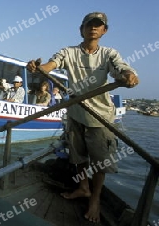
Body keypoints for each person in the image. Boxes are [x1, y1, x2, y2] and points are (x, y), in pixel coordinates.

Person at [26, 12, 139, 223]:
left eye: (98, 25)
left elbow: (121, 69)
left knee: (99, 162)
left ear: (104, 31)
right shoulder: (68, 52)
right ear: (82, 29)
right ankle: (83, 188)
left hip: (100, 116)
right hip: (75, 113)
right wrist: (39, 68)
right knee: (78, 155)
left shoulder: (108, 54)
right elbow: (52, 64)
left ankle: (94, 199)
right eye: (89, 25)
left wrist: (128, 76)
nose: (93, 28)